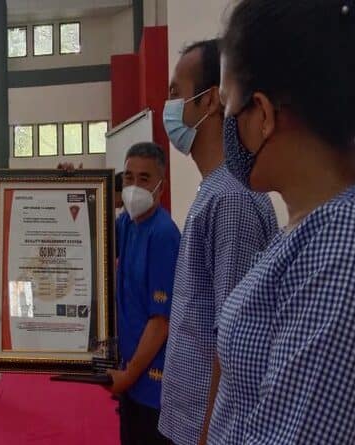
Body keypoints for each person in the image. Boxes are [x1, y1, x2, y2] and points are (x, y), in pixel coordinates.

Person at [207, 1, 355, 443]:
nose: (223, 124)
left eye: (227, 105)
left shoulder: (348, 249)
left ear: (263, 114)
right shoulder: (311, 228)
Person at [158, 39, 278, 445]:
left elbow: (233, 337)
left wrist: (210, 433)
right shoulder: (214, 190)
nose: (168, 106)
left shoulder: (231, 200)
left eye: (175, 92)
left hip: (204, 428)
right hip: (186, 420)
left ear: (209, 100)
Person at [106, 142, 181, 445]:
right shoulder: (127, 223)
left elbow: (160, 322)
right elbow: (89, 237)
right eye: (129, 177)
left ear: (161, 187)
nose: (134, 186)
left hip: (152, 385)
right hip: (130, 377)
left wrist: (128, 375)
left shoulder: (163, 235)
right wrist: (70, 185)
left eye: (144, 178)